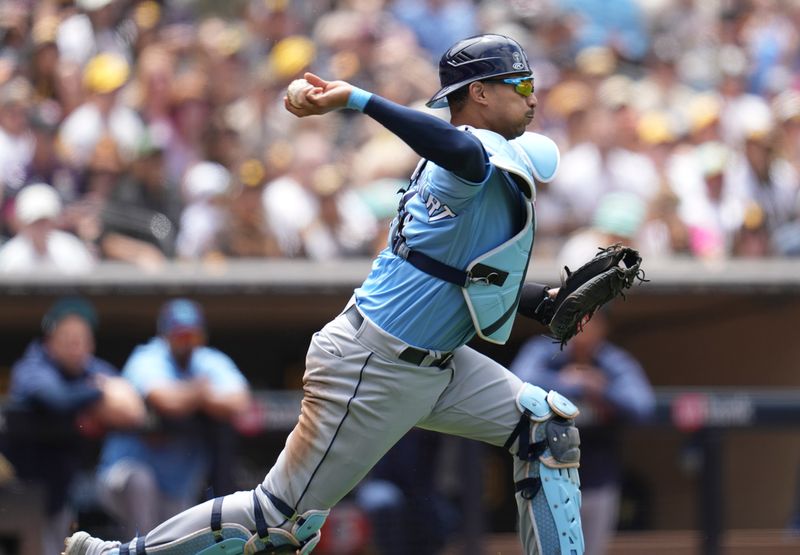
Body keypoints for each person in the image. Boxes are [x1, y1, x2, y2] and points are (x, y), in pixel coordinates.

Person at [65, 34, 585, 555]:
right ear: (479, 94)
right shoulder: (462, 160)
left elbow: (463, 273)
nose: (532, 96)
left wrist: (539, 299)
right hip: (373, 361)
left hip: (439, 363)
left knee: (545, 426)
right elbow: (458, 149)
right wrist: (358, 99)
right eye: (519, 83)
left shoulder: (492, 162)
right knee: (280, 521)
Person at [95, 298, 252, 538]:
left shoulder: (208, 360)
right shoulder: (147, 357)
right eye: (180, 336)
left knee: (176, 542)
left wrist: (192, 396)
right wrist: (201, 393)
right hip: (122, 478)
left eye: (193, 336)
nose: (187, 344)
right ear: (165, 336)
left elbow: (240, 402)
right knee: (141, 487)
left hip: (176, 491)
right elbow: (166, 402)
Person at [4, 296, 145, 555]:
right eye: (67, 337)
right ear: (50, 340)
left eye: (81, 338)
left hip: (59, 491)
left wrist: (99, 394)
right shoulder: (33, 366)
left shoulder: (88, 370)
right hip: (18, 492)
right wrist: (97, 393)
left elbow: (131, 408)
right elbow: (56, 399)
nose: (75, 344)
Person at [509, 309, 656, 555]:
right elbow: (517, 381)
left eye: (590, 322)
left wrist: (600, 388)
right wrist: (568, 382)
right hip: (544, 480)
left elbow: (642, 405)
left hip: (598, 482)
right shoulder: (544, 352)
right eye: (576, 321)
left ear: (603, 328)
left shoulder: (612, 362)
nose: (582, 330)